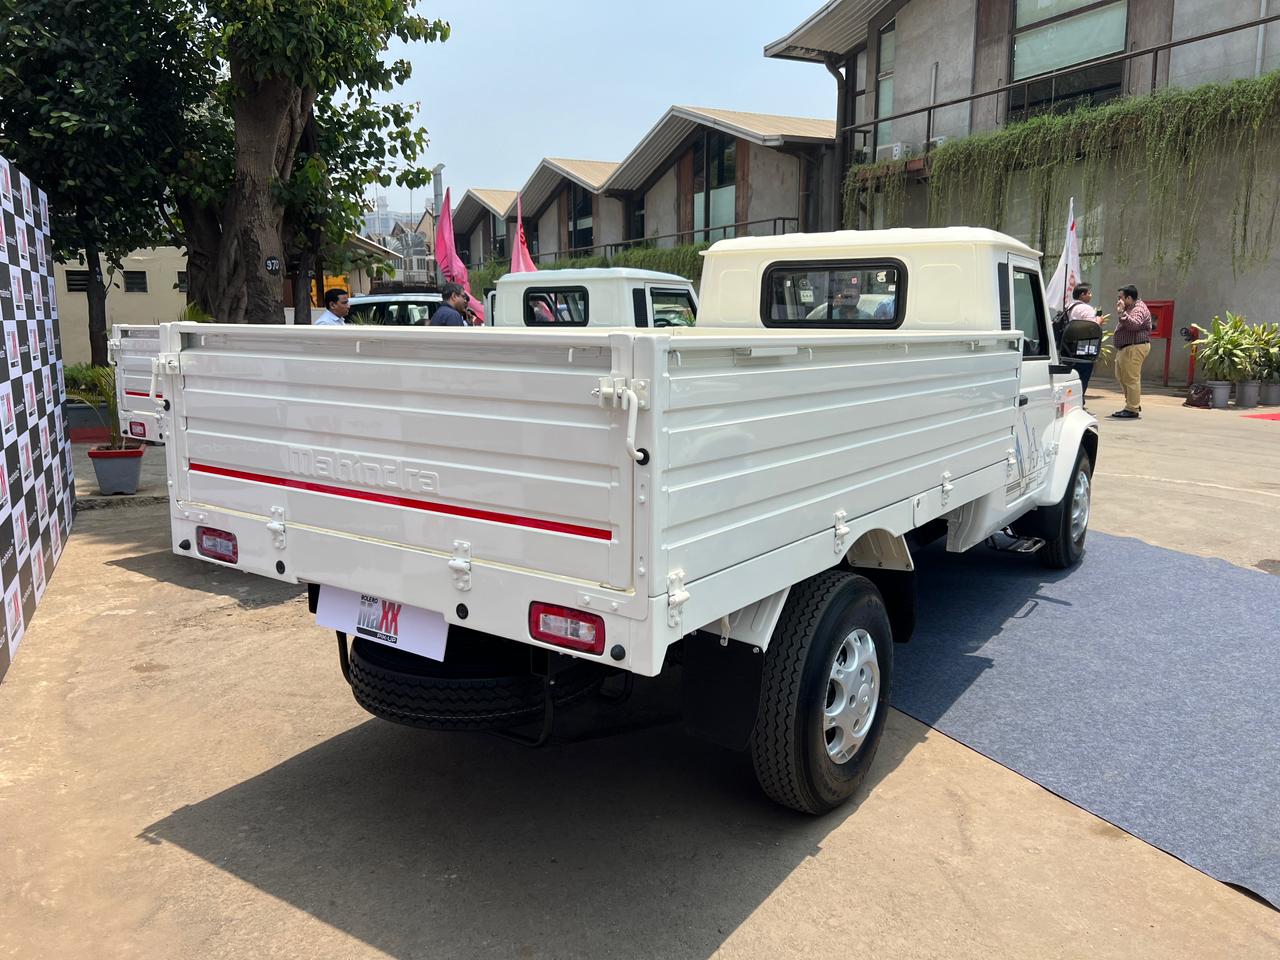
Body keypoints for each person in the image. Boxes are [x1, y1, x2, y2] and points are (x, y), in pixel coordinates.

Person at [1111, 284, 1153, 419]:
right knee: (1121, 376)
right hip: (1126, 348)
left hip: (1135, 347)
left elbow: (1134, 324)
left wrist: (1122, 313)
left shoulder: (1138, 308)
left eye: (1120, 297)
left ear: (1129, 298)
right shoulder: (1130, 307)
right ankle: (1133, 402)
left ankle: (1132, 408)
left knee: (1131, 378)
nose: (1118, 300)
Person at [1064, 283, 1101, 396]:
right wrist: (1098, 322)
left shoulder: (1068, 307)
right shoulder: (1086, 309)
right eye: (1089, 293)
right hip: (1083, 348)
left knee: (1069, 376)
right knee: (1083, 375)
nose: (1091, 295)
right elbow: (1091, 328)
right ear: (1082, 295)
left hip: (1067, 348)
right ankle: (1080, 400)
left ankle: (1069, 399)